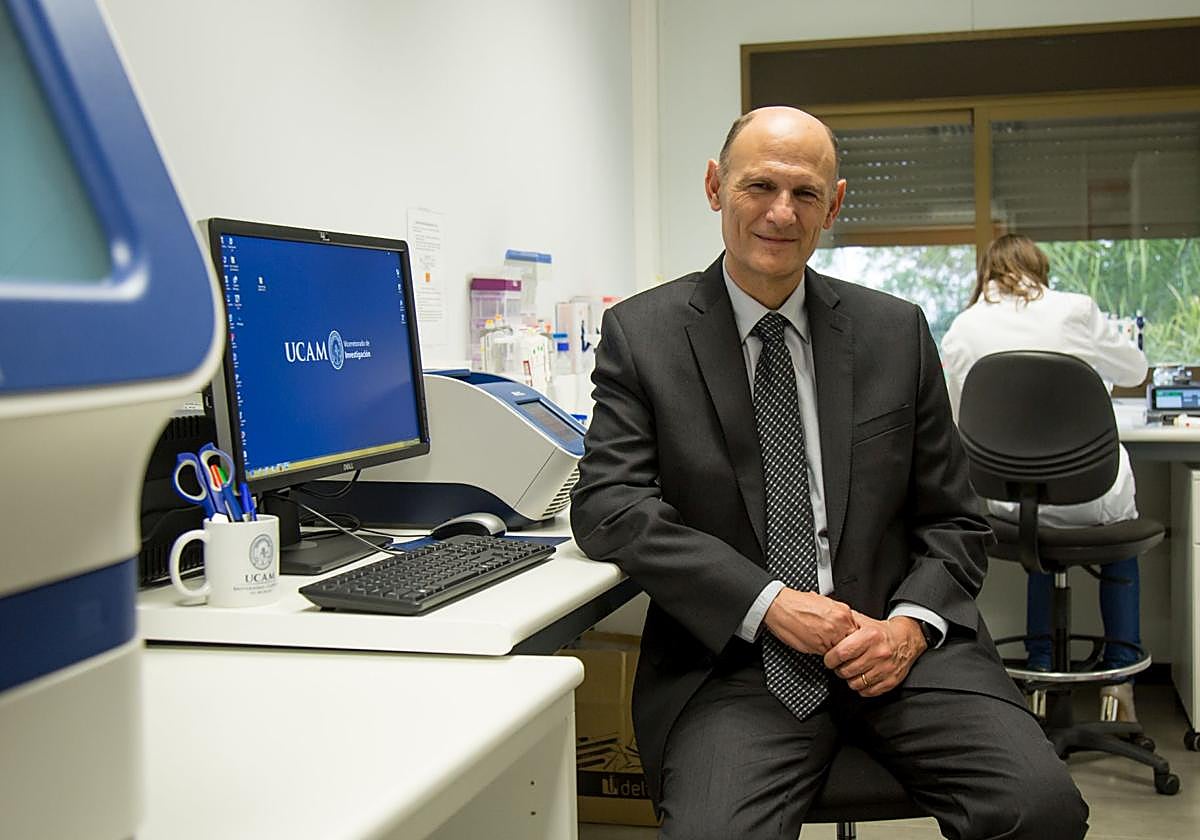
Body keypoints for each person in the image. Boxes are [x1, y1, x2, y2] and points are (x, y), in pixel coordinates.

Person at [570, 106, 1088, 839]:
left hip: (899, 650)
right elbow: (607, 504)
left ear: (835, 203)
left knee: (1041, 810)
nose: (782, 212)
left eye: (806, 193)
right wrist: (771, 603)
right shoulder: (645, 336)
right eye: (760, 186)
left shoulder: (894, 331)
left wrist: (908, 628)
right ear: (716, 187)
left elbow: (957, 519)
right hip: (741, 663)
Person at [941, 233, 1149, 722]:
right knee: (1116, 546)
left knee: (1042, 542)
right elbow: (1136, 367)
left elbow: (955, 417)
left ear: (987, 274)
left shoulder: (965, 327)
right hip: (1090, 496)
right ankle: (1118, 683)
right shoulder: (1075, 309)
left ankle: (1037, 673)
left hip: (1009, 504)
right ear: (1039, 270)